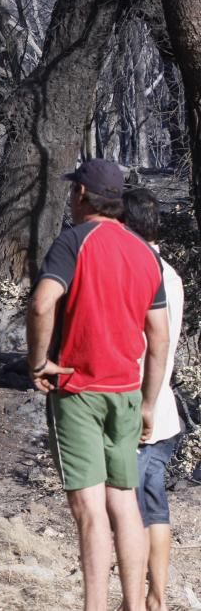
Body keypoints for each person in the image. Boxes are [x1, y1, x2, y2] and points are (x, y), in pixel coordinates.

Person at [27, 159, 170, 611]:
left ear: (83, 195)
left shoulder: (73, 241)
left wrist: (39, 362)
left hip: (79, 389)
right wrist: (149, 402)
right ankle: (133, 603)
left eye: (74, 191)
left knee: (89, 510)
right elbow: (159, 335)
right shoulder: (146, 253)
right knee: (124, 502)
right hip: (127, 393)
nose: (71, 198)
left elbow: (41, 304)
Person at [122, 187, 183, 611]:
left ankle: (140, 603)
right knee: (154, 507)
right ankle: (154, 598)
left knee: (133, 513)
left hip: (138, 408)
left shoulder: (137, 271)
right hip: (165, 410)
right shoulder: (172, 273)